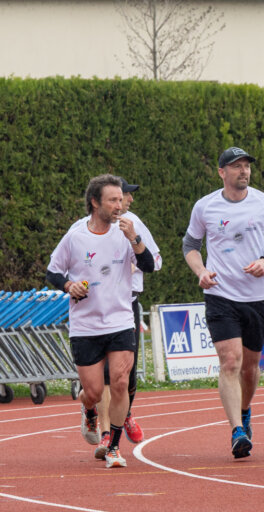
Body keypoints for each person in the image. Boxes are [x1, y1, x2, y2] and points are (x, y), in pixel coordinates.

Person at [183, 146, 264, 459]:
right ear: (222, 172)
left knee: (250, 366)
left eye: (246, 166)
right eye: (236, 166)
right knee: (230, 361)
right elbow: (190, 244)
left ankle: (245, 411)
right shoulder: (205, 206)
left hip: (255, 297)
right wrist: (201, 271)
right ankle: (236, 430)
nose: (243, 171)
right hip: (220, 294)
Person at [47, 174, 155, 468]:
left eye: (121, 200)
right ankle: (89, 409)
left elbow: (149, 266)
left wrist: (135, 239)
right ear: (95, 203)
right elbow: (53, 272)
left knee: (120, 382)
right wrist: (69, 286)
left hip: (120, 321)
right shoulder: (75, 236)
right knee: (94, 391)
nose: (119, 206)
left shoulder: (127, 231)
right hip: (86, 326)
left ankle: (114, 448)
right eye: (113, 200)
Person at [77, 177, 162, 459]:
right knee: (101, 378)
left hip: (127, 305)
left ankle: (123, 414)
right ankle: (105, 434)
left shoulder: (133, 223)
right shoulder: (82, 229)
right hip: (96, 309)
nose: (128, 200)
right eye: (124, 195)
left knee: (124, 379)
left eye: (124, 196)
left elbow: (156, 262)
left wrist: (134, 250)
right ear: (104, 200)